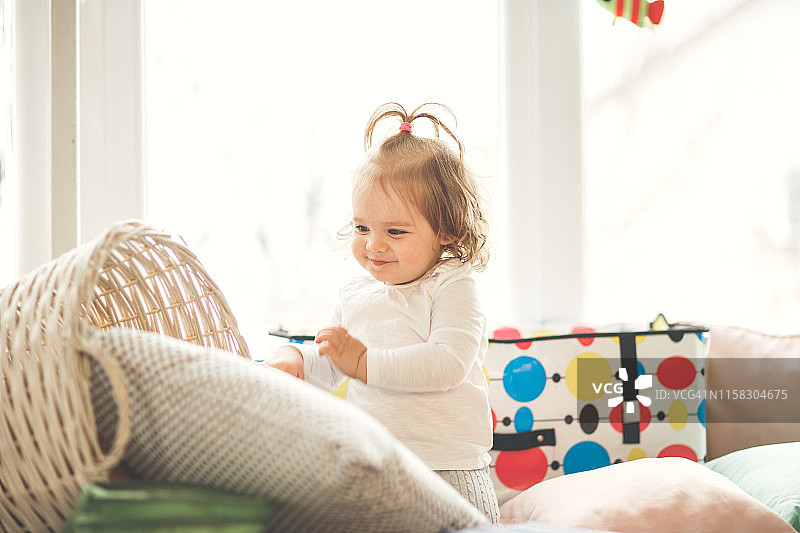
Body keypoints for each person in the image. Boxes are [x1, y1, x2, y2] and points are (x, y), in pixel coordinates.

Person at [266, 102, 499, 522]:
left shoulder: (453, 284)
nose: (373, 245)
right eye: (362, 228)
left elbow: (447, 363)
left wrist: (362, 362)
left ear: (445, 229)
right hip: (374, 464)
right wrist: (299, 359)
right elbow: (336, 362)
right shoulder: (356, 292)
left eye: (395, 231)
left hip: (450, 468)